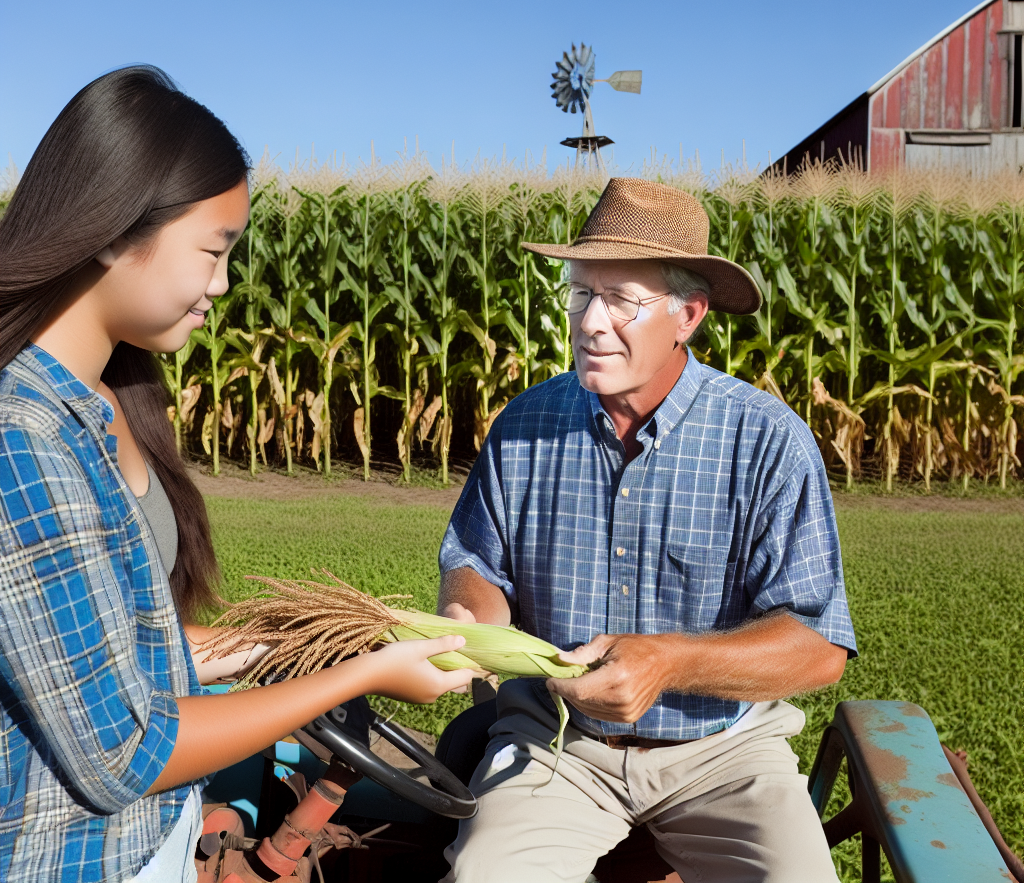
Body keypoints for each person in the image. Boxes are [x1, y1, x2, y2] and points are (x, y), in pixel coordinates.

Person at [0, 66, 474, 883]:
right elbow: (124, 754)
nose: (223, 284)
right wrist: (363, 674)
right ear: (114, 230)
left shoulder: (106, 399)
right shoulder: (23, 441)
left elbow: (98, 647)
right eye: (213, 250)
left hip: (155, 840)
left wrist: (284, 648)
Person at [436, 178, 857, 883]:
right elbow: (478, 563)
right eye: (580, 294)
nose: (591, 322)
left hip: (724, 752)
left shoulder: (766, 442)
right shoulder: (525, 427)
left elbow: (817, 649)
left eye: (622, 300)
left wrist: (670, 662)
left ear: (687, 314)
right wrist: (470, 622)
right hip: (561, 745)